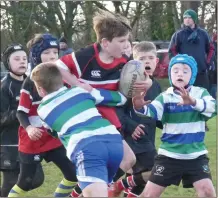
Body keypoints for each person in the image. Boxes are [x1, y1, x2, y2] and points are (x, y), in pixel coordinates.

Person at [55, 10, 152, 196]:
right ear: (105, 43)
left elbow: (128, 92)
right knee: (107, 166)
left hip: (107, 116)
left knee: (128, 161)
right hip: (84, 119)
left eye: (127, 40)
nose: (127, 46)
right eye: (122, 41)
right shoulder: (85, 56)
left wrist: (146, 82)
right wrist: (77, 84)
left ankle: (94, 189)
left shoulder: (125, 62)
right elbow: (57, 67)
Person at [31, 62, 127, 197]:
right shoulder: (79, 91)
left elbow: (53, 132)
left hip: (86, 147)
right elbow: (119, 99)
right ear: (62, 80)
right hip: (113, 140)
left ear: (41, 90)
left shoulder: (42, 110)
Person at [132, 54, 217, 198]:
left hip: (196, 156)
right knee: (149, 195)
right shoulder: (165, 96)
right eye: (175, 70)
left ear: (192, 75)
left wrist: (193, 102)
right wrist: (139, 106)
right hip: (169, 156)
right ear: (170, 74)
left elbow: (214, 107)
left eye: (185, 71)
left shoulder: (201, 93)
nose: (180, 74)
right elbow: (152, 111)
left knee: (208, 192)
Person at [8, 34, 77, 197]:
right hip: (32, 139)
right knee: (25, 182)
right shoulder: (30, 82)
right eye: (47, 52)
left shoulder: (62, 77)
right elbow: (20, 112)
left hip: (53, 138)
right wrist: (30, 128)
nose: (52, 56)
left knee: (73, 176)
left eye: (55, 51)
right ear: (36, 55)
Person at [115, 41, 162, 197]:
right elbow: (117, 111)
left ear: (156, 61)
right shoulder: (129, 85)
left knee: (139, 183)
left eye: (150, 58)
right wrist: (131, 126)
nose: (147, 61)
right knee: (157, 173)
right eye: (141, 59)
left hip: (149, 137)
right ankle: (118, 185)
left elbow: (158, 114)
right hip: (133, 138)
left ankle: (121, 186)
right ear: (133, 63)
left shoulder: (156, 86)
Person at [0, 44, 43, 197]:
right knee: (10, 182)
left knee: (37, 179)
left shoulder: (33, 82)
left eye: (24, 58)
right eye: (16, 59)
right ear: (7, 63)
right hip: (10, 143)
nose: (22, 62)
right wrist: (21, 112)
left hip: (30, 140)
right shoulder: (4, 87)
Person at [168, 9, 215, 92]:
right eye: (185, 18)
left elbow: (211, 49)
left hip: (201, 71)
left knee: (203, 94)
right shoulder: (178, 35)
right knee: (185, 96)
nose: (187, 19)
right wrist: (179, 63)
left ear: (194, 19)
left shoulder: (203, 34)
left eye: (189, 17)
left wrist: (208, 62)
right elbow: (172, 51)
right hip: (185, 73)